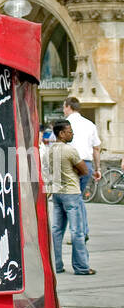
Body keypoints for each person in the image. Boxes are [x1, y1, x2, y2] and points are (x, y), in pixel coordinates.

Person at [48, 119, 96, 276]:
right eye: (69, 131)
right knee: (77, 231)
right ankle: (81, 267)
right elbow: (84, 170)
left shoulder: (51, 149)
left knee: (56, 230)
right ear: (61, 134)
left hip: (57, 193)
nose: (72, 134)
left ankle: (57, 265)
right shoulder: (70, 150)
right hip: (71, 193)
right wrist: (75, 170)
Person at [62, 96, 100, 242]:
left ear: (69, 107)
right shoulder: (90, 124)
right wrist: (98, 169)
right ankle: (83, 231)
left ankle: (78, 233)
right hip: (87, 164)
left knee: (73, 200)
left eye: (64, 107)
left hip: (71, 164)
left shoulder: (65, 124)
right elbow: (96, 148)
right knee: (78, 198)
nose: (63, 110)